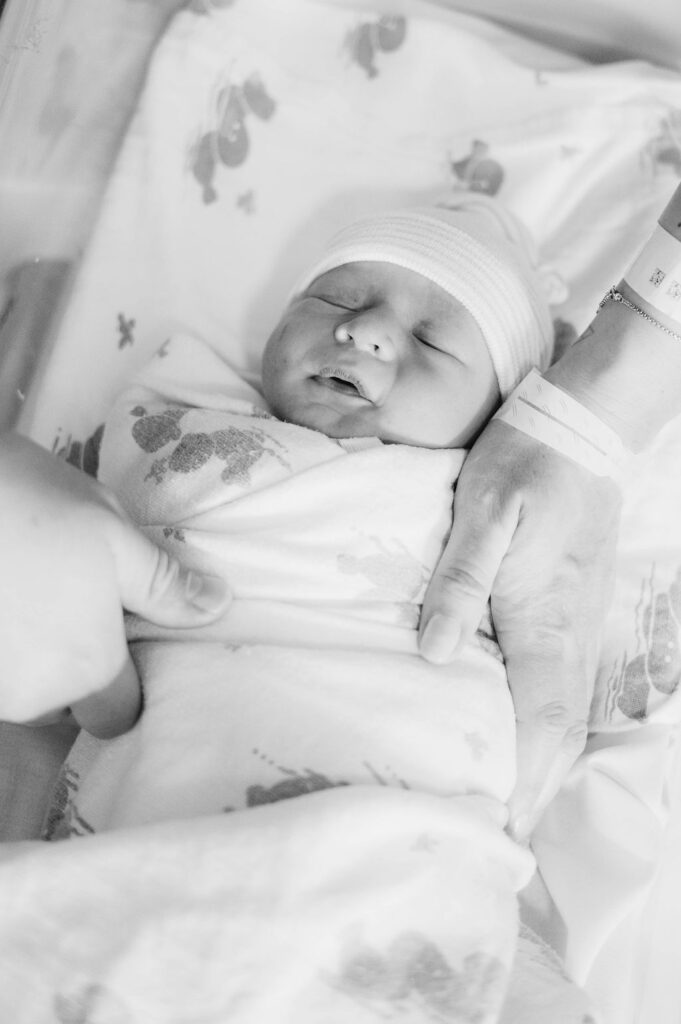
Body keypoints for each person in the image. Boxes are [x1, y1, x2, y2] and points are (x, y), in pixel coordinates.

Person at [3, 183, 681, 840]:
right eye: (336, 298)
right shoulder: (185, 403)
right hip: (171, 749)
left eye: (433, 340)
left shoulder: (496, 504)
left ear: (502, 415)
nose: (364, 330)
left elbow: (587, 653)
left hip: (390, 795)